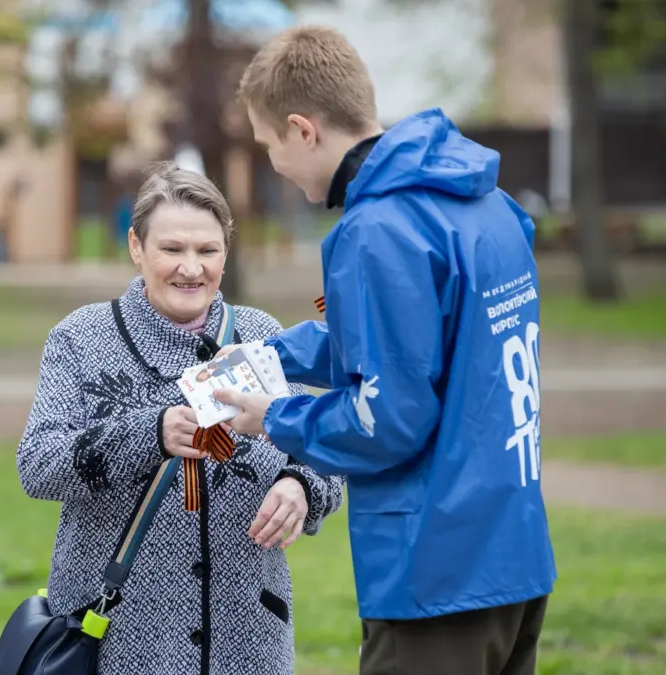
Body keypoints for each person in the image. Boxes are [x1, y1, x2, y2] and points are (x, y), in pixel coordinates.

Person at [214, 25, 557, 675]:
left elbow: (389, 417)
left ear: (303, 129)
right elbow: (418, 345)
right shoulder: (484, 203)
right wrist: (273, 354)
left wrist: (272, 417)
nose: (274, 167)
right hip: (513, 555)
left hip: (435, 572)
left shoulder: (375, 230)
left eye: (268, 147)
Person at [16, 162, 345, 675]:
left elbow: (325, 448)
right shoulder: (80, 338)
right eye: (172, 249)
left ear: (225, 253)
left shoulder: (261, 336)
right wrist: (149, 433)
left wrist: (301, 485)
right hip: (117, 640)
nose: (191, 269)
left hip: (248, 637)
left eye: (207, 251)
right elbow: (38, 466)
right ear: (136, 247)